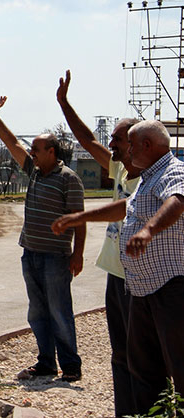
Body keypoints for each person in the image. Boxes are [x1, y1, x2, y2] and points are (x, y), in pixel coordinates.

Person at [52, 120, 184, 414]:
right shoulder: (146, 177)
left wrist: (148, 230)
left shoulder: (173, 172)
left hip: (171, 289)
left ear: (147, 146)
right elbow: (126, 208)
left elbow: (177, 201)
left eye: (131, 145)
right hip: (142, 289)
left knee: (179, 364)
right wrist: (79, 218)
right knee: (144, 368)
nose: (125, 152)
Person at [56, 69, 141, 417]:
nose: (111, 145)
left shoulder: (152, 179)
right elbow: (88, 139)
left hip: (141, 279)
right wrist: (64, 103)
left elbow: (124, 208)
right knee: (119, 353)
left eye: (118, 140)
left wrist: (79, 219)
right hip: (115, 274)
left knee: (143, 354)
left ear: (136, 144)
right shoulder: (121, 170)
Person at [0, 95, 86, 382]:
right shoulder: (34, 172)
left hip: (55, 258)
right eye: (32, 149)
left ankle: (70, 366)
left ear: (52, 152)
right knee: (37, 312)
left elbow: (79, 223)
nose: (31, 153)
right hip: (29, 253)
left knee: (59, 311)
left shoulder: (69, 179)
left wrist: (77, 254)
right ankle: (46, 362)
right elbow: (12, 144)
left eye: (37, 149)